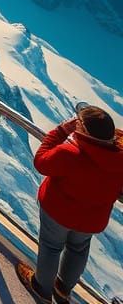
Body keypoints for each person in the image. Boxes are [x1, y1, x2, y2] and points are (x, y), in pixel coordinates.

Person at [16, 104, 123, 304]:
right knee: (78, 250)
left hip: (58, 213)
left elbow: (41, 162)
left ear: (85, 131)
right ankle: (63, 289)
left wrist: (60, 131)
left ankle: (41, 288)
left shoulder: (70, 153)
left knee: (51, 247)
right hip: (91, 219)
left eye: (79, 122)